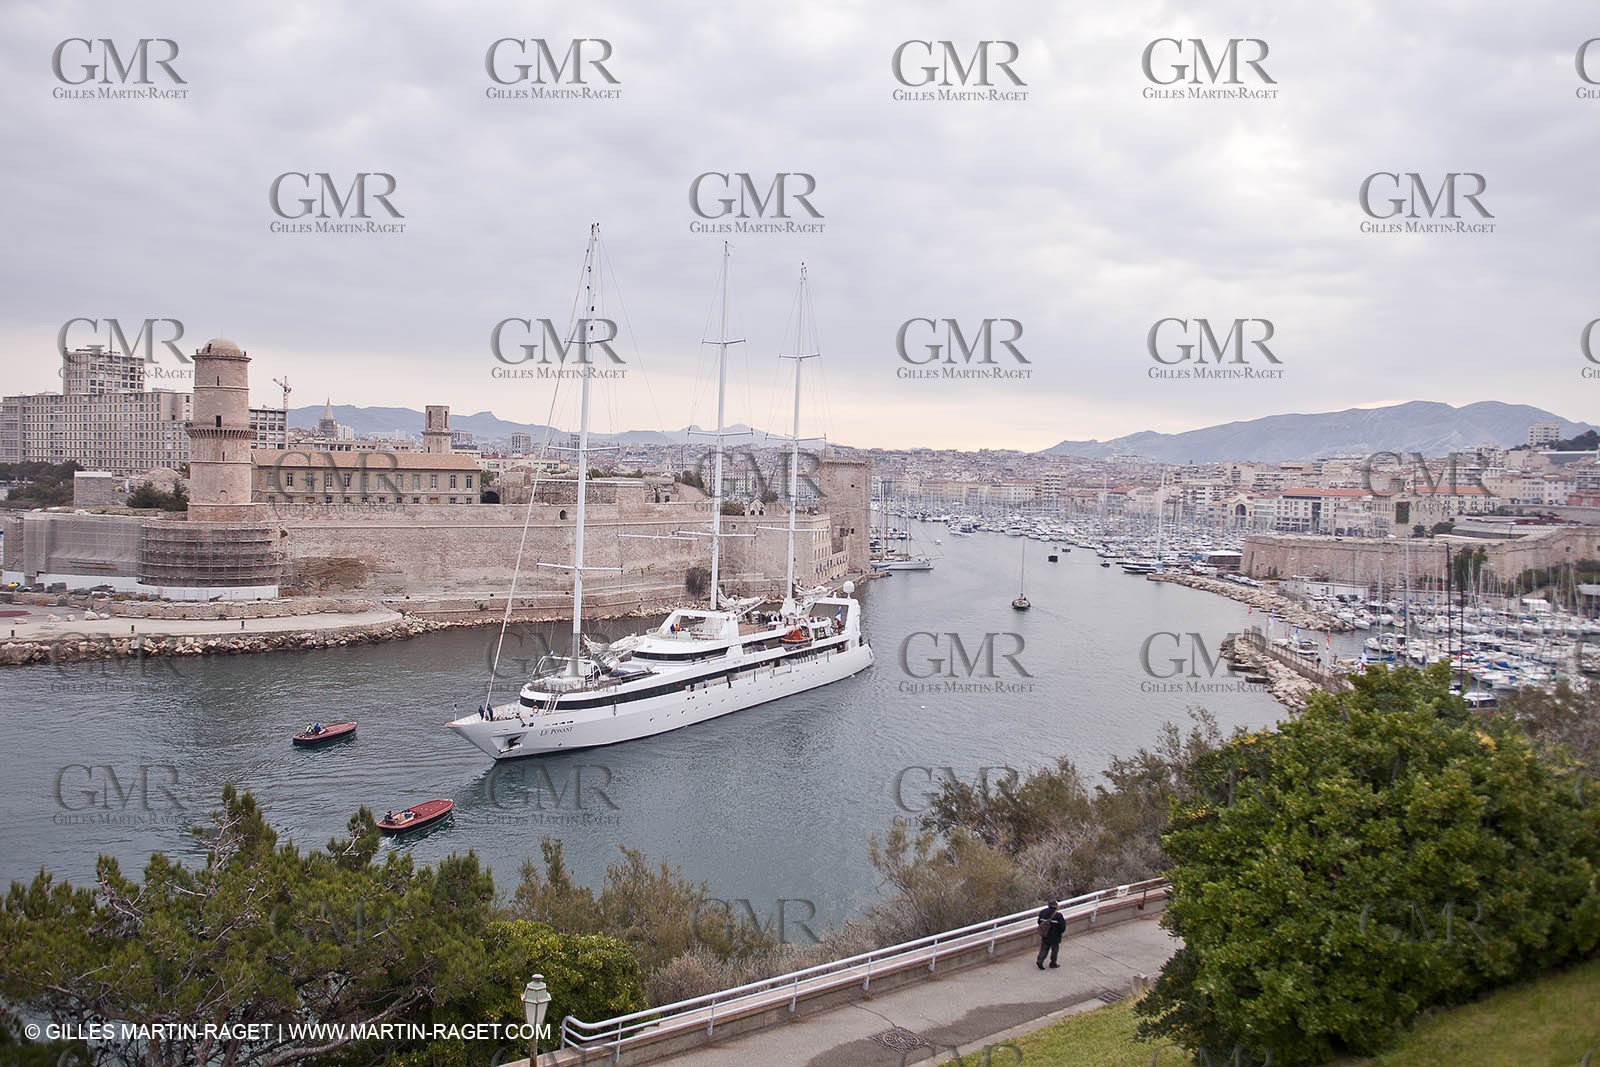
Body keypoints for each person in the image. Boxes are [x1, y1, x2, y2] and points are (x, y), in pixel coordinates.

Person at [1036, 900, 1066, 969]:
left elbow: (1039, 922)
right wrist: (1060, 932)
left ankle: (1040, 960)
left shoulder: (1042, 912)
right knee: (1054, 950)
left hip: (1045, 934)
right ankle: (1053, 963)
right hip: (1055, 936)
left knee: (1043, 949)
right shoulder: (1058, 915)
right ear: (1056, 906)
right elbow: (1062, 927)